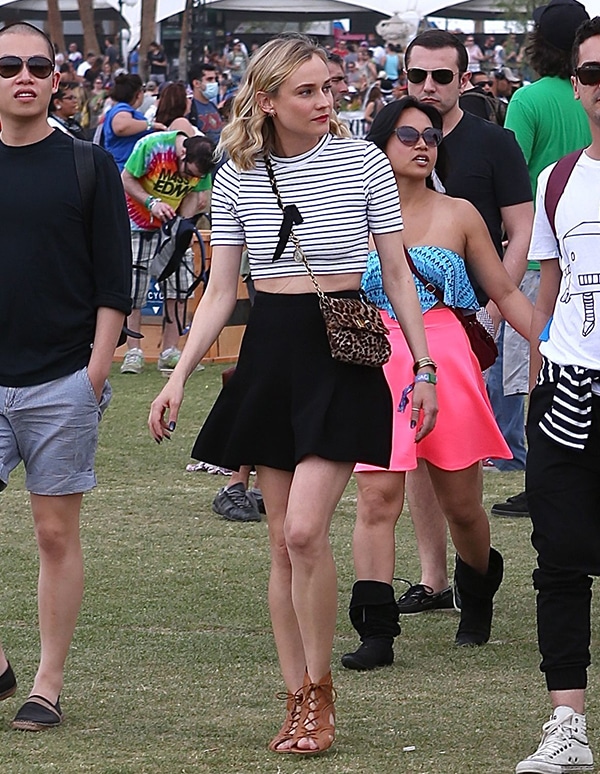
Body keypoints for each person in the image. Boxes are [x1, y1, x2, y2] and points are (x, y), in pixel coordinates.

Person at [148, 34, 437, 755]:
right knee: (281, 544)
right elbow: (221, 292)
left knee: (305, 531)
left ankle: (323, 695)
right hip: (273, 350)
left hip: (341, 346)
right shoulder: (239, 171)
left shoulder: (364, 160)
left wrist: (424, 367)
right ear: (268, 98)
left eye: (330, 86)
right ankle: (297, 699)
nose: (324, 100)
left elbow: (397, 275)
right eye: (306, 90)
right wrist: (178, 374)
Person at [341, 97, 533, 670]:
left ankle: (477, 590)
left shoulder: (461, 214)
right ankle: (377, 630)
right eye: (407, 135)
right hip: (374, 363)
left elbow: (504, 293)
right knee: (376, 497)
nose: (423, 144)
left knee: (464, 508)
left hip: (445, 363)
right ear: (380, 143)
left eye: (430, 136)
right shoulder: (353, 211)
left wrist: (558, 347)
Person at [0, 21, 131, 730]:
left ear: (57, 79)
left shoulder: (88, 164)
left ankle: (46, 685)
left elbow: (116, 279)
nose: (24, 75)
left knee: (54, 534)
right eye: (8, 65)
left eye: (38, 65)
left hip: (62, 381)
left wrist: (95, 370)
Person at [399, 29, 533, 615]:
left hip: (470, 320)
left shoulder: (494, 142)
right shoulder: (388, 138)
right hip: (400, 330)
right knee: (410, 455)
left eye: (442, 76)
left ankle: (471, 568)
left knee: (456, 467)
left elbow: (520, 227)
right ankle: (432, 578)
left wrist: (500, 304)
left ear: (465, 79)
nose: (429, 87)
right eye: (418, 75)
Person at [515, 16, 600, 774]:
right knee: (561, 557)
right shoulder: (559, 178)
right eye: (594, 74)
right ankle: (566, 725)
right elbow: (549, 285)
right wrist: (539, 376)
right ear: (576, 86)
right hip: (569, 389)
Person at [492, 0, 592, 519]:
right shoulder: (584, 99)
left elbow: (513, 173)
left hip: (537, 256)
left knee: (536, 371)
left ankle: (536, 473)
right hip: (582, 249)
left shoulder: (528, 101)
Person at [120, 132, 214, 374]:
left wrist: (182, 226)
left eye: (196, 176)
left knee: (180, 288)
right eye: (188, 173)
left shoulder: (203, 161)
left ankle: (170, 351)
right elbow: (126, 178)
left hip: (171, 225)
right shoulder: (152, 146)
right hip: (136, 223)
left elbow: (195, 194)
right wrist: (151, 202)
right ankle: (133, 351)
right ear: (182, 154)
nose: (191, 178)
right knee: (135, 289)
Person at [102, 73, 165, 171]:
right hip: (122, 170)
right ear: (138, 94)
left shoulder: (126, 110)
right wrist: (150, 125)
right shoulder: (121, 108)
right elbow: (121, 127)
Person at [187, 63, 224, 145]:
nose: (214, 83)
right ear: (196, 83)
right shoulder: (189, 108)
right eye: (209, 79)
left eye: (215, 79)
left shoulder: (213, 106)